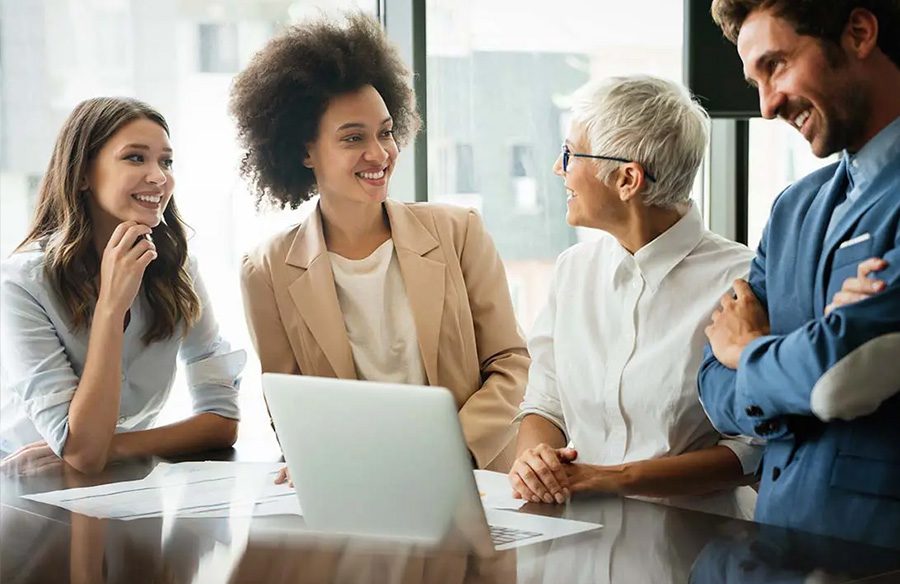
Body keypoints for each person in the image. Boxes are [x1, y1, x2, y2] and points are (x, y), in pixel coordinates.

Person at [231, 14, 527, 473]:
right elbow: (289, 406)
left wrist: (449, 453)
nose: (380, 153)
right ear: (304, 150)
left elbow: (510, 365)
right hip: (358, 485)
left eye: (386, 131)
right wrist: (316, 457)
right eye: (353, 138)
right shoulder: (266, 270)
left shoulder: (459, 232)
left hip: (472, 482)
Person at [508, 76, 761, 518]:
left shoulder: (740, 281)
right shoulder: (572, 270)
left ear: (627, 178)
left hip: (692, 554)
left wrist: (614, 479)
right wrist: (535, 462)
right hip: (578, 542)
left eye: (569, 154)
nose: (557, 168)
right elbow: (544, 405)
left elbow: (751, 450)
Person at [700, 0, 900, 548]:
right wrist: (805, 354)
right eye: (755, 79)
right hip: (778, 554)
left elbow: (844, 375)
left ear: (858, 32)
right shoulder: (794, 208)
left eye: (777, 65)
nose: (766, 106)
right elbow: (709, 384)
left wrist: (747, 352)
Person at [0, 97, 245, 475]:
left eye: (166, 161)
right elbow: (83, 455)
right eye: (135, 158)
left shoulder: (177, 270)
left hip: (118, 478)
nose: (158, 176)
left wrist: (116, 445)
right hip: (23, 486)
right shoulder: (24, 283)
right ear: (82, 174)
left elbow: (222, 418)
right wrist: (111, 308)